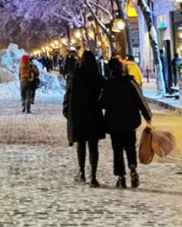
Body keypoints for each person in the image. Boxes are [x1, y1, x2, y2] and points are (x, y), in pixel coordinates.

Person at [100, 57, 152, 188]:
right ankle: (133, 168)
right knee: (130, 146)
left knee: (117, 150)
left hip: (113, 123)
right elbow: (140, 99)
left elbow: (102, 103)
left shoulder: (108, 84)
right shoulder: (130, 82)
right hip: (130, 121)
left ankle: (121, 176)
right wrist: (148, 116)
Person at [64, 51, 106, 187]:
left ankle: (81, 172)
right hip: (94, 113)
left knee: (81, 143)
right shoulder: (97, 76)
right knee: (93, 146)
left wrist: (67, 111)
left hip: (78, 114)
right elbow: (105, 91)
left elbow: (68, 94)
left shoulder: (75, 74)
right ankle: (93, 176)